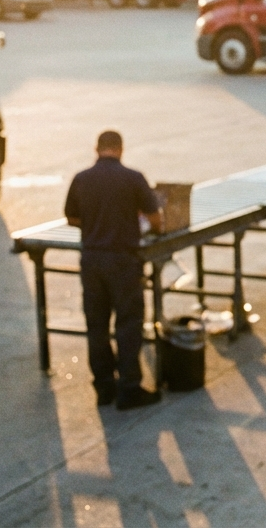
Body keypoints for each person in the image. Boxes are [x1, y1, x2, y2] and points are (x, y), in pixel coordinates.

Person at [64, 130, 164, 410]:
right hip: (123, 260)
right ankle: (129, 388)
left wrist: (96, 224)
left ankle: (104, 387)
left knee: (96, 325)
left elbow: (72, 217)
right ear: (120, 149)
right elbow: (155, 218)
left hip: (92, 261)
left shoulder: (81, 179)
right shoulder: (133, 178)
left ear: (97, 149)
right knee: (128, 324)